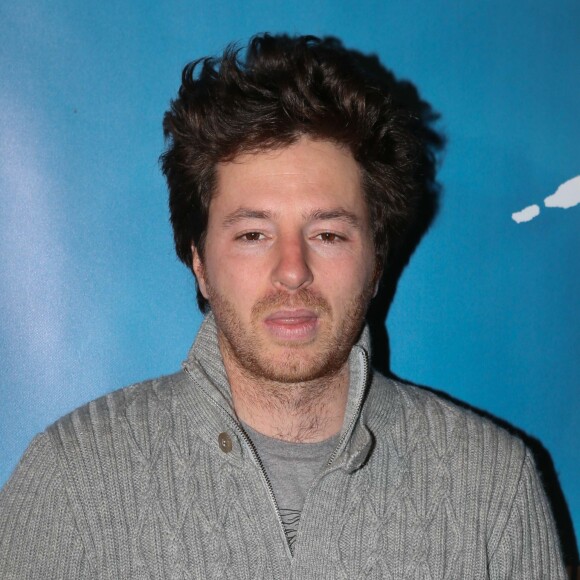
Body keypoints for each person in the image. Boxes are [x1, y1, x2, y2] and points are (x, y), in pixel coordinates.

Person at [0, 34, 566, 578]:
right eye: (252, 234)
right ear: (198, 259)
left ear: (375, 263)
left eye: (328, 234)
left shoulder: (491, 485)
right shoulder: (71, 480)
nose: (292, 270)